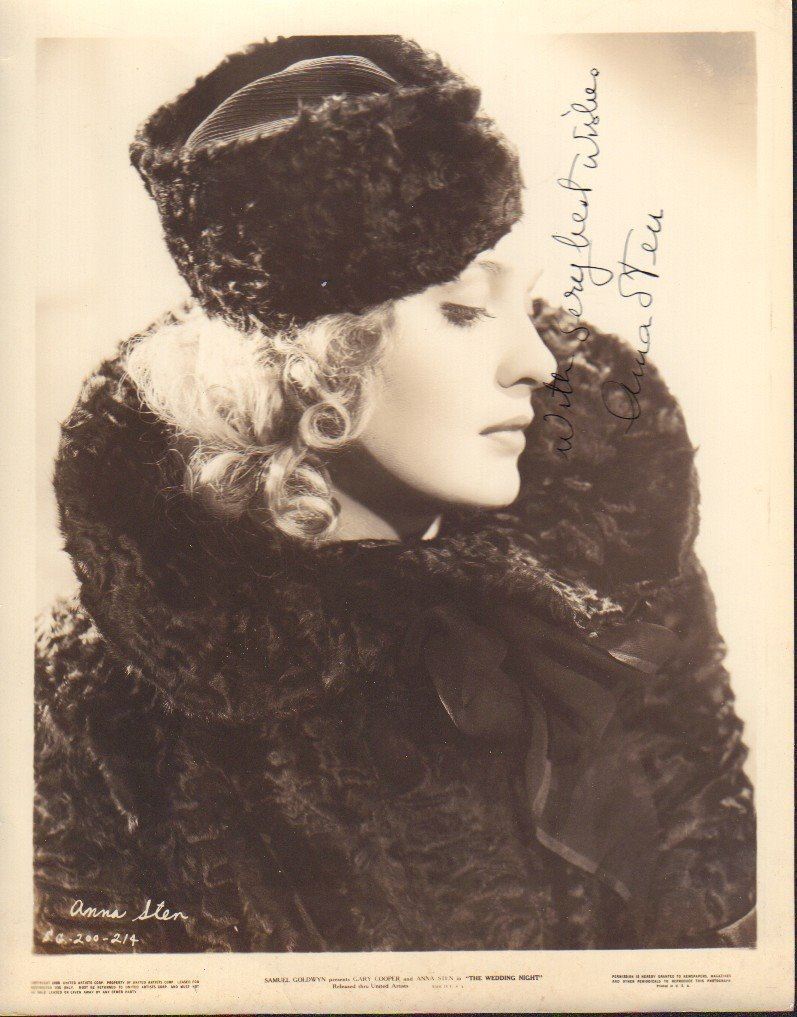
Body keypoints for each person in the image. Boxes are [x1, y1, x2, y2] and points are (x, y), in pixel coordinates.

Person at [34, 34, 755, 953]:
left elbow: (721, 920)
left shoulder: (616, 580)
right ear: (312, 367)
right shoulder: (107, 690)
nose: (536, 362)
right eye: (462, 311)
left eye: (523, 307)